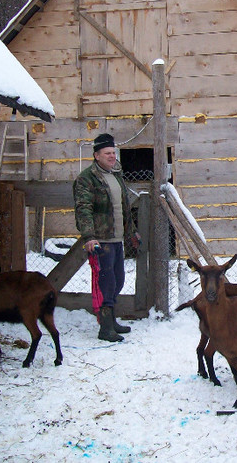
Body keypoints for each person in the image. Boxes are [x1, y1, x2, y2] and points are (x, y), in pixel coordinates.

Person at [73, 133, 140, 342]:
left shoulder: (116, 175)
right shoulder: (86, 179)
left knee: (118, 280)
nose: (112, 156)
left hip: (117, 238)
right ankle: (105, 327)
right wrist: (89, 236)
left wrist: (131, 232)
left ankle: (111, 320)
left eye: (113, 152)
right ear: (96, 155)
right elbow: (83, 209)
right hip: (101, 241)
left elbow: (124, 208)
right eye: (107, 153)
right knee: (107, 283)